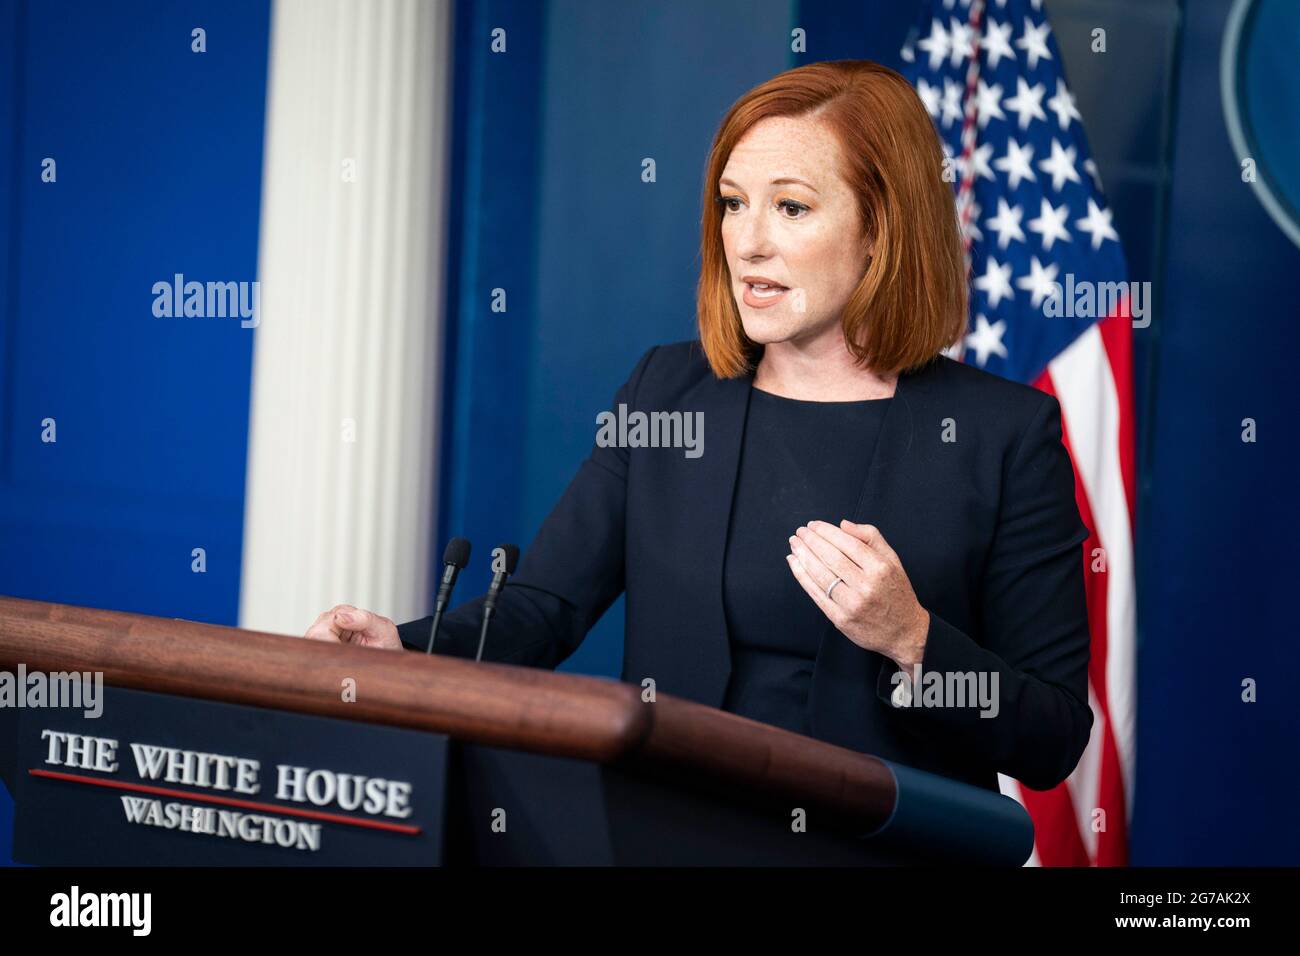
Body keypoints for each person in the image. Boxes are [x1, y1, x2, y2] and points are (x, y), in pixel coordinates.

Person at [301, 60, 1093, 794]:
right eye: (732, 203)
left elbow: (1053, 737)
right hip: (668, 830)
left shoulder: (1004, 436)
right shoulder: (666, 392)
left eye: (791, 207)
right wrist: (403, 648)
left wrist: (915, 638)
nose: (748, 242)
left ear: (882, 228)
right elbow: (542, 608)